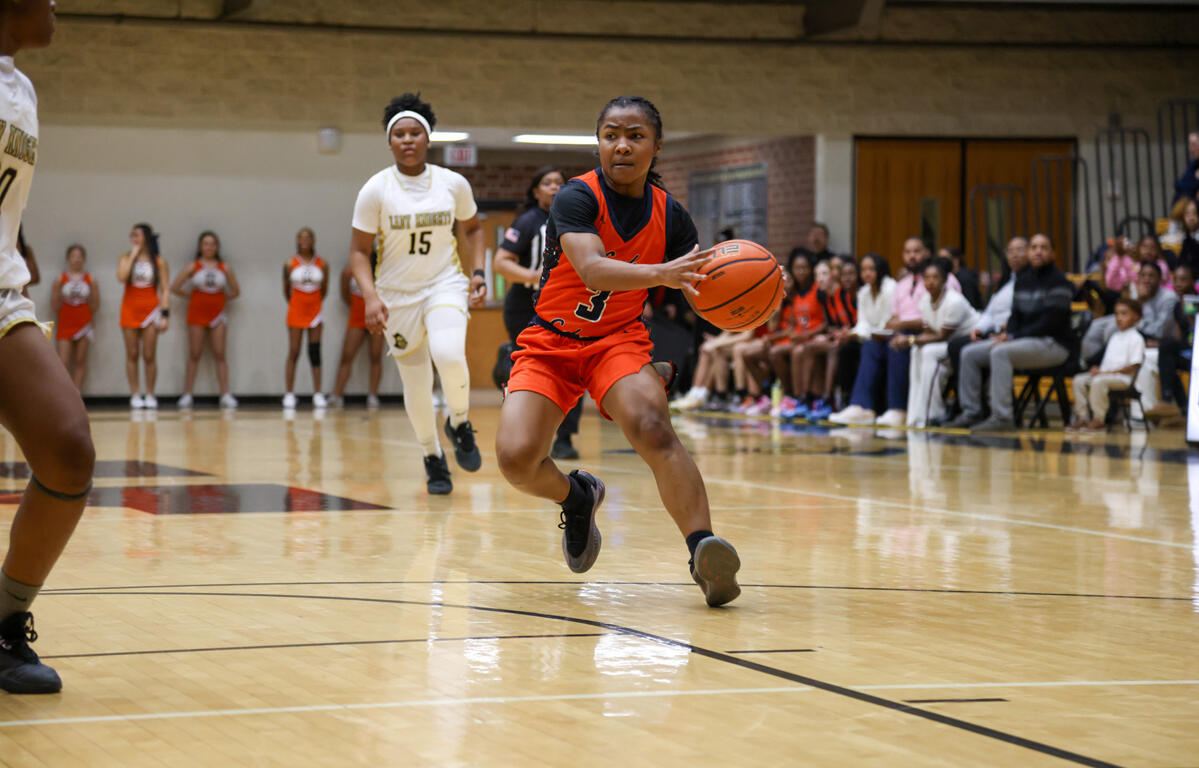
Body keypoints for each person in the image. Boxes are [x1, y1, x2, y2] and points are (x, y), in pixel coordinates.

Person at [495, 95, 742, 607]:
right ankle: (577, 496)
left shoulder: (671, 215)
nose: (622, 146)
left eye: (635, 136)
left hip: (617, 340)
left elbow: (707, 286)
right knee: (516, 460)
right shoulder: (576, 196)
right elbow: (592, 268)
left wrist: (756, 292)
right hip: (550, 342)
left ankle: (703, 551)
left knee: (653, 428)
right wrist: (660, 273)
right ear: (599, 143)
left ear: (656, 146)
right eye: (611, 135)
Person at [0, 0, 96, 695]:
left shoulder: (22, 90)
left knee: (68, 449)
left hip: (3, 291)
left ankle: (3, 623)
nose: (57, 4)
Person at [349, 92, 486, 495]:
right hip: (396, 296)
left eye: (415, 133)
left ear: (428, 138)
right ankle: (432, 456)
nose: (407, 140)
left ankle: (459, 422)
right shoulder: (375, 189)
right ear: (390, 142)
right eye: (399, 134)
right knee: (417, 383)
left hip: (444, 283)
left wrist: (478, 272)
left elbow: (474, 229)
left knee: (449, 354)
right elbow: (358, 252)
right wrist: (370, 297)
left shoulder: (452, 183)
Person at [945, 233, 1074, 432]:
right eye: (1034, 247)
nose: (1038, 251)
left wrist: (1012, 337)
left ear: (1053, 254)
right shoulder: (1022, 281)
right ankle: (971, 412)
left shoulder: (1059, 282)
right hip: (1024, 342)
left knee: (1000, 352)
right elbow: (1015, 317)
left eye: (1044, 247)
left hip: (1054, 344)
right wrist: (1007, 334)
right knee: (969, 353)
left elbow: (1051, 323)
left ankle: (1002, 416)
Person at [495, 166, 582, 459]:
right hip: (525, 303)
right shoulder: (528, 221)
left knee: (570, 367)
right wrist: (535, 276)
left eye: (560, 182)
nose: (555, 187)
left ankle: (565, 437)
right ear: (536, 192)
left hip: (567, 304)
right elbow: (501, 261)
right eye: (547, 183)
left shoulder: (578, 220)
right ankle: (526, 427)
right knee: (531, 366)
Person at [830, 238, 960, 426]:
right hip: (902, 332)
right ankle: (861, 406)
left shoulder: (944, 279)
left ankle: (898, 409)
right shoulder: (902, 285)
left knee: (897, 345)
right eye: (908, 252)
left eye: (916, 251)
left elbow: (939, 317)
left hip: (933, 334)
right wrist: (886, 328)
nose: (912, 256)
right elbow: (894, 318)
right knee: (871, 346)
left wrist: (903, 324)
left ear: (926, 253)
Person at [946, 236, 1029, 419]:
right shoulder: (1006, 281)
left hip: (1012, 334)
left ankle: (975, 406)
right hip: (994, 331)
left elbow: (1021, 313)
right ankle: (970, 404)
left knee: (966, 349)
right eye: (1010, 251)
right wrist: (978, 328)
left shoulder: (1030, 281)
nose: (1014, 255)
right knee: (956, 346)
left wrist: (1008, 330)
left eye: (1020, 249)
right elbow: (990, 313)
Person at [901, 257, 979, 427]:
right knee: (916, 351)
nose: (930, 281)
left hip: (967, 342)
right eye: (926, 277)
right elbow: (928, 332)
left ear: (944, 281)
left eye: (935, 277)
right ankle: (915, 414)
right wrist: (914, 342)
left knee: (928, 352)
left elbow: (943, 335)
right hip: (948, 343)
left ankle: (932, 413)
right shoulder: (924, 300)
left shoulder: (954, 301)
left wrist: (910, 339)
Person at [782, 257, 859, 420]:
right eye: (817, 275)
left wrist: (834, 334)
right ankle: (806, 398)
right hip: (840, 338)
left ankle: (827, 399)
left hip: (854, 339)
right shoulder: (827, 297)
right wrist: (830, 334)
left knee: (827, 348)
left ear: (833, 275)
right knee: (809, 347)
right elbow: (832, 325)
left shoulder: (843, 294)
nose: (820, 279)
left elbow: (853, 323)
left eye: (824, 273)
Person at [171, 231, 240, 409]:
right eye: (206, 243)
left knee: (220, 353)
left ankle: (225, 394)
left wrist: (221, 298)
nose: (209, 247)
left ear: (217, 247)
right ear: (200, 247)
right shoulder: (192, 266)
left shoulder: (224, 267)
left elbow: (236, 291)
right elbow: (175, 287)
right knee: (194, 353)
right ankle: (187, 394)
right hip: (196, 312)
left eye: (212, 244)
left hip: (218, 314)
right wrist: (192, 296)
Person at [1067, 298, 1145, 432]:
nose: (1119, 318)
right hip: (1106, 375)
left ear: (1136, 317)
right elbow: (1107, 364)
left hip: (1124, 379)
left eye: (1124, 314)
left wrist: (1106, 373)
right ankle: (1082, 417)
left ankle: (1099, 420)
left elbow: (1133, 367)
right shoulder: (1114, 337)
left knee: (1098, 382)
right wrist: (1098, 369)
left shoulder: (1136, 338)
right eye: (1117, 314)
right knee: (1079, 380)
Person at [117, 222, 170, 409]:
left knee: (149, 355)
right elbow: (121, 277)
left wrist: (165, 314)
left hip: (151, 310)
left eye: (137, 235)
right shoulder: (125, 257)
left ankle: (150, 394)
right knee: (132, 353)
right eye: (132, 235)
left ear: (146, 237)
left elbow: (165, 289)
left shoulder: (159, 261)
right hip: (129, 309)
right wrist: (133, 255)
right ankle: (135, 394)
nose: (134, 238)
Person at [329, 255, 385, 409]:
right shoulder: (349, 271)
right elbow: (345, 295)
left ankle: (373, 396)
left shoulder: (382, 270)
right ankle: (337, 395)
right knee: (347, 355)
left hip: (377, 318)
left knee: (376, 356)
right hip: (357, 317)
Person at [283, 226, 327, 408]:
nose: (305, 241)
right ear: (297, 241)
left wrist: (313, 303)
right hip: (296, 310)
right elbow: (286, 290)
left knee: (314, 351)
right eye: (301, 238)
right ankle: (289, 394)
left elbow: (325, 289)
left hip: (315, 311)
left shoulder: (322, 263)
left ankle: (317, 393)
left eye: (308, 237)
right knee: (294, 351)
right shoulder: (289, 263)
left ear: (313, 241)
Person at [50, 244, 98, 391]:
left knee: (80, 361)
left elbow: (95, 303)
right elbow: (54, 304)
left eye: (79, 256)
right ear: (68, 259)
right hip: (65, 321)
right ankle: (64, 395)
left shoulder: (91, 279)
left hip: (84, 323)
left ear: (84, 259)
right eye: (73, 256)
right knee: (63, 361)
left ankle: (77, 395)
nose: (76, 259)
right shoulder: (60, 279)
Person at [1173, 131, 1199, 205]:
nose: (1191, 149)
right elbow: (1181, 187)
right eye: (1190, 145)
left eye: (1194, 145)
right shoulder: (1192, 165)